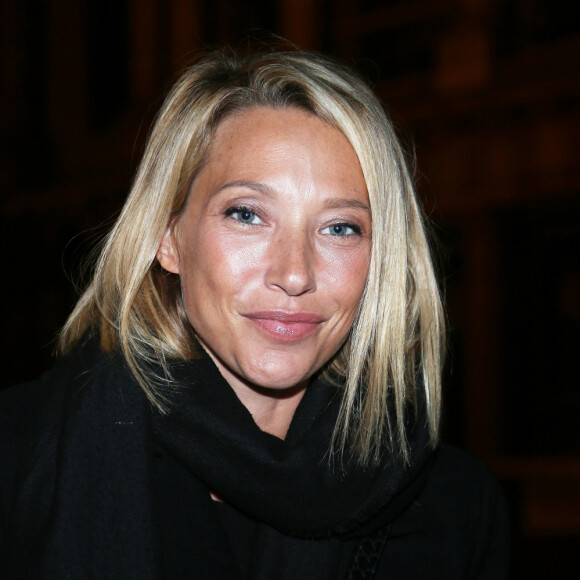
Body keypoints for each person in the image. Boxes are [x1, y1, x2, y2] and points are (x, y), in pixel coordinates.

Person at [0, 48, 509, 579]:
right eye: (247, 215)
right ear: (167, 236)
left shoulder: (457, 508)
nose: (295, 274)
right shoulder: (19, 456)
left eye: (340, 228)